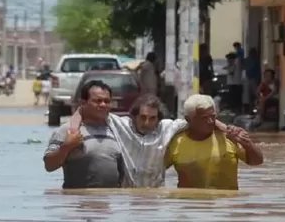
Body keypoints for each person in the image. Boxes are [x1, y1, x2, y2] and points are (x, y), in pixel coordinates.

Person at [69, 94, 241, 188]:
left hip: (157, 199)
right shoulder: (119, 124)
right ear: (134, 116)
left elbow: (201, 118)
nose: (147, 123)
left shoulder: (167, 128)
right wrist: (73, 132)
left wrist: (229, 130)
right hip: (127, 200)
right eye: (142, 117)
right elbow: (82, 110)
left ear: (158, 118)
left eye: (152, 118)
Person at [165, 94, 264, 190]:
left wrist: (248, 144)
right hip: (191, 205)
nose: (210, 121)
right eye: (204, 118)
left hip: (226, 204)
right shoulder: (176, 143)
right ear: (188, 119)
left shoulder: (229, 137)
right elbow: (154, 172)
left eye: (213, 116)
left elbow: (257, 162)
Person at [43, 80, 122, 189]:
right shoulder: (67, 130)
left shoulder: (117, 129)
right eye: (98, 101)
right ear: (83, 102)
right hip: (79, 200)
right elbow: (49, 165)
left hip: (110, 200)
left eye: (107, 101)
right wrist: (66, 147)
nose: (103, 105)